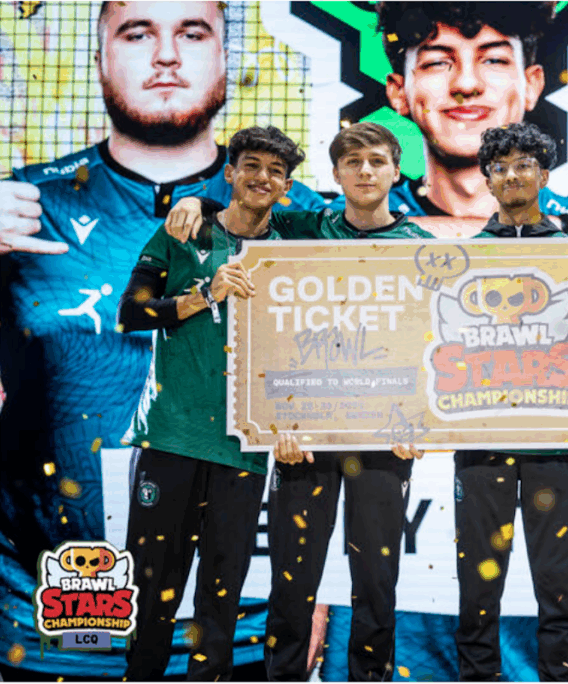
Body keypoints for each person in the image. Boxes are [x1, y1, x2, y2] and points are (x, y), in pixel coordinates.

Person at [0, 2, 324, 678]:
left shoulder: (307, 221)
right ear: (100, 57)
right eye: (138, 32)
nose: (166, 54)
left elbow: (351, 399)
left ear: (226, 59)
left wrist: (324, 596)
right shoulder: (18, 206)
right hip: (50, 630)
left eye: (192, 33)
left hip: (244, 631)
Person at [163, 122, 432, 681]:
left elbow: (432, 341)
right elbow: (243, 207)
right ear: (335, 174)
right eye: (352, 162)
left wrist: (422, 422)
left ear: (395, 171)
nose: (364, 171)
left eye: (376, 161)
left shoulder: (420, 247)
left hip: (383, 439)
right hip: (302, 438)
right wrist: (194, 200)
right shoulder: (303, 226)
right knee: (292, 581)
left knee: (376, 585)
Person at [116, 125, 304, 679]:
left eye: (275, 171)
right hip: (171, 436)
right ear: (229, 172)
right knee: (152, 585)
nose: (262, 178)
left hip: (243, 447)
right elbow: (131, 313)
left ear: (286, 187)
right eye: (251, 166)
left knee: (221, 593)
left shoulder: (293, 248)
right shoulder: (183, 232)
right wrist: (204, 294)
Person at [448, 122, 568, 681]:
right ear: (487, 180)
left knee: (560, 588)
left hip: (555, 446)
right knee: (477, 589)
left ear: (544, 175)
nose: (512, 174)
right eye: (500, 166)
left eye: (524, 164)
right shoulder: (462, 260)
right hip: (480, 444)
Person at [374, 1, 568, 237]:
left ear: (531, 86)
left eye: (494, 60)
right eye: (437, 62)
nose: (466, 84)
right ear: (399, 93)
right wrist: (561, 231)